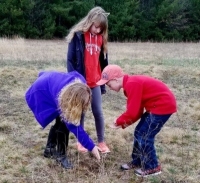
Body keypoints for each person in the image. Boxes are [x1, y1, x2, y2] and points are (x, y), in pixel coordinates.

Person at [96, 65, 177, 177]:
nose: (109, 87)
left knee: (144, 135)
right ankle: (138, 161)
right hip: (154, 106)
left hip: (162, 106)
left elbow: (133, 112)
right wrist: (122, 123)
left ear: (115, 80)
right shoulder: (130, 83)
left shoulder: (131, 84)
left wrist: (119, 121)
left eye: (109, 84)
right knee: (139, 132)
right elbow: (137, 111)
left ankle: (152, 167)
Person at [25, 71, 101, 169]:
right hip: (40, 92)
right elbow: (75, 127)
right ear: (73, 101)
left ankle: (49, 150)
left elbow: (74, 74)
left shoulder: (81, 84)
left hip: (51, 81)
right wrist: (92, 147)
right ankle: (61, 156)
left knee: (61, 120)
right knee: (65, 124)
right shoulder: (61, 97)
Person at [66, 6, 110, 153]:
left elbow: (104, 62)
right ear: (90, 21)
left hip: (96, 82)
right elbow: (70, 60)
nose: (97, 30)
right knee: (81, 112)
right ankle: (81, 142)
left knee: (98, 111)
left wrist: (105, 79)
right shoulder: (78, 36)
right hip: (81, 82)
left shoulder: (101, 39)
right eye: (96, 27)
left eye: (100, 29)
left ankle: (102, 142)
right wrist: (74, 81)